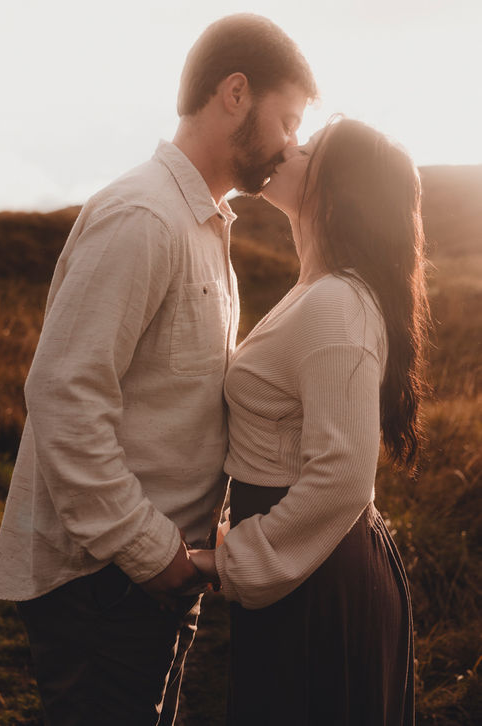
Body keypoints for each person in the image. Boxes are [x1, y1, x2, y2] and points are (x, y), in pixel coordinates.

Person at [0, 14, 317, 726]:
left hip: (152, 576)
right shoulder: (142, 217)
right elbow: (64, 396)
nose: (289, 144)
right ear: (235, 93)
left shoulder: (200, 226)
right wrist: (151, 550)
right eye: (287, 119)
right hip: (102, 582)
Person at [190, 117, 430, 725]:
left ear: (336, 187)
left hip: (316, 578)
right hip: (305, 566)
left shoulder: (336, 305)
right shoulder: (318, 290)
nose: (288, 148)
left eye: (309, 148)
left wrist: (230, 560)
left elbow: (344, 476)